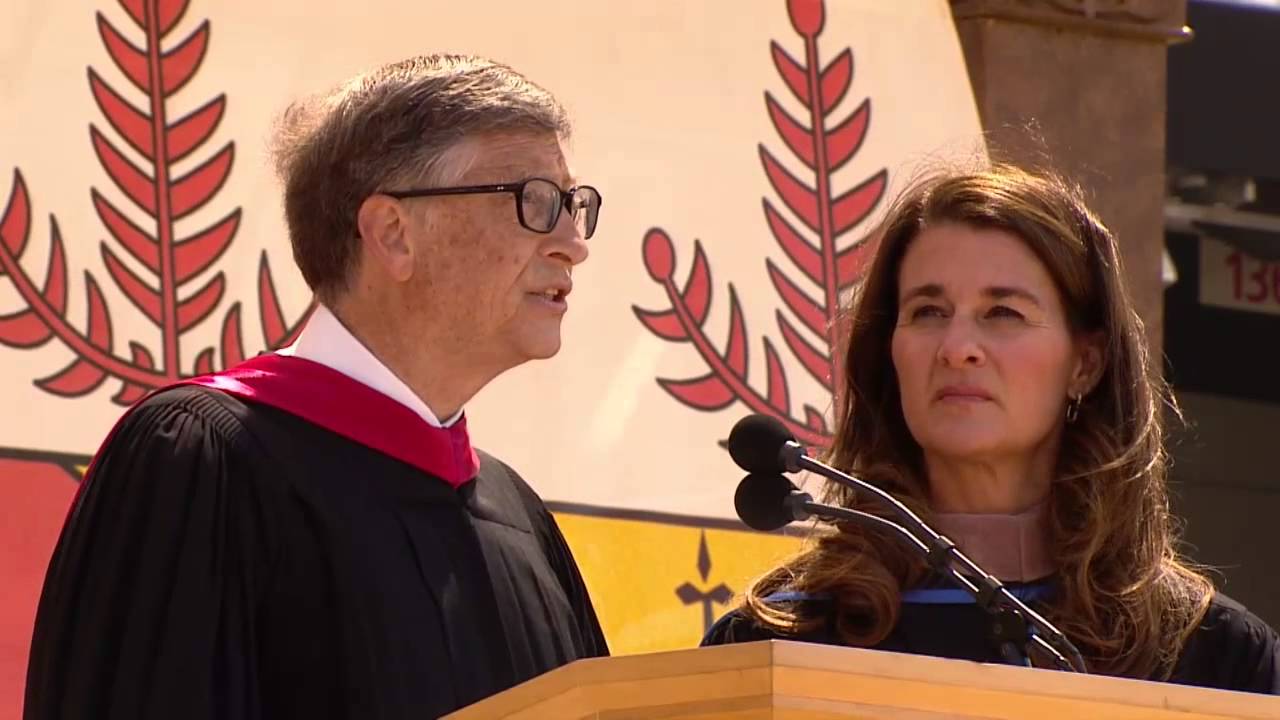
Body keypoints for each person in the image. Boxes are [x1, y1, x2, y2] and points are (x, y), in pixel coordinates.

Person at [25, 54, 608, 719]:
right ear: (393, 234)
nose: (572, 242)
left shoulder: (520, 519)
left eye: (572, 205)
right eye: (534, 200)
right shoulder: (202, 463)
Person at [703, 163, 1279, 693]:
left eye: (1002, 313)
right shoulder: (775, 643)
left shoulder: (1212, 658)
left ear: (1085, 363)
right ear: (889, 354)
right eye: (927, 312)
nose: (957, 348)